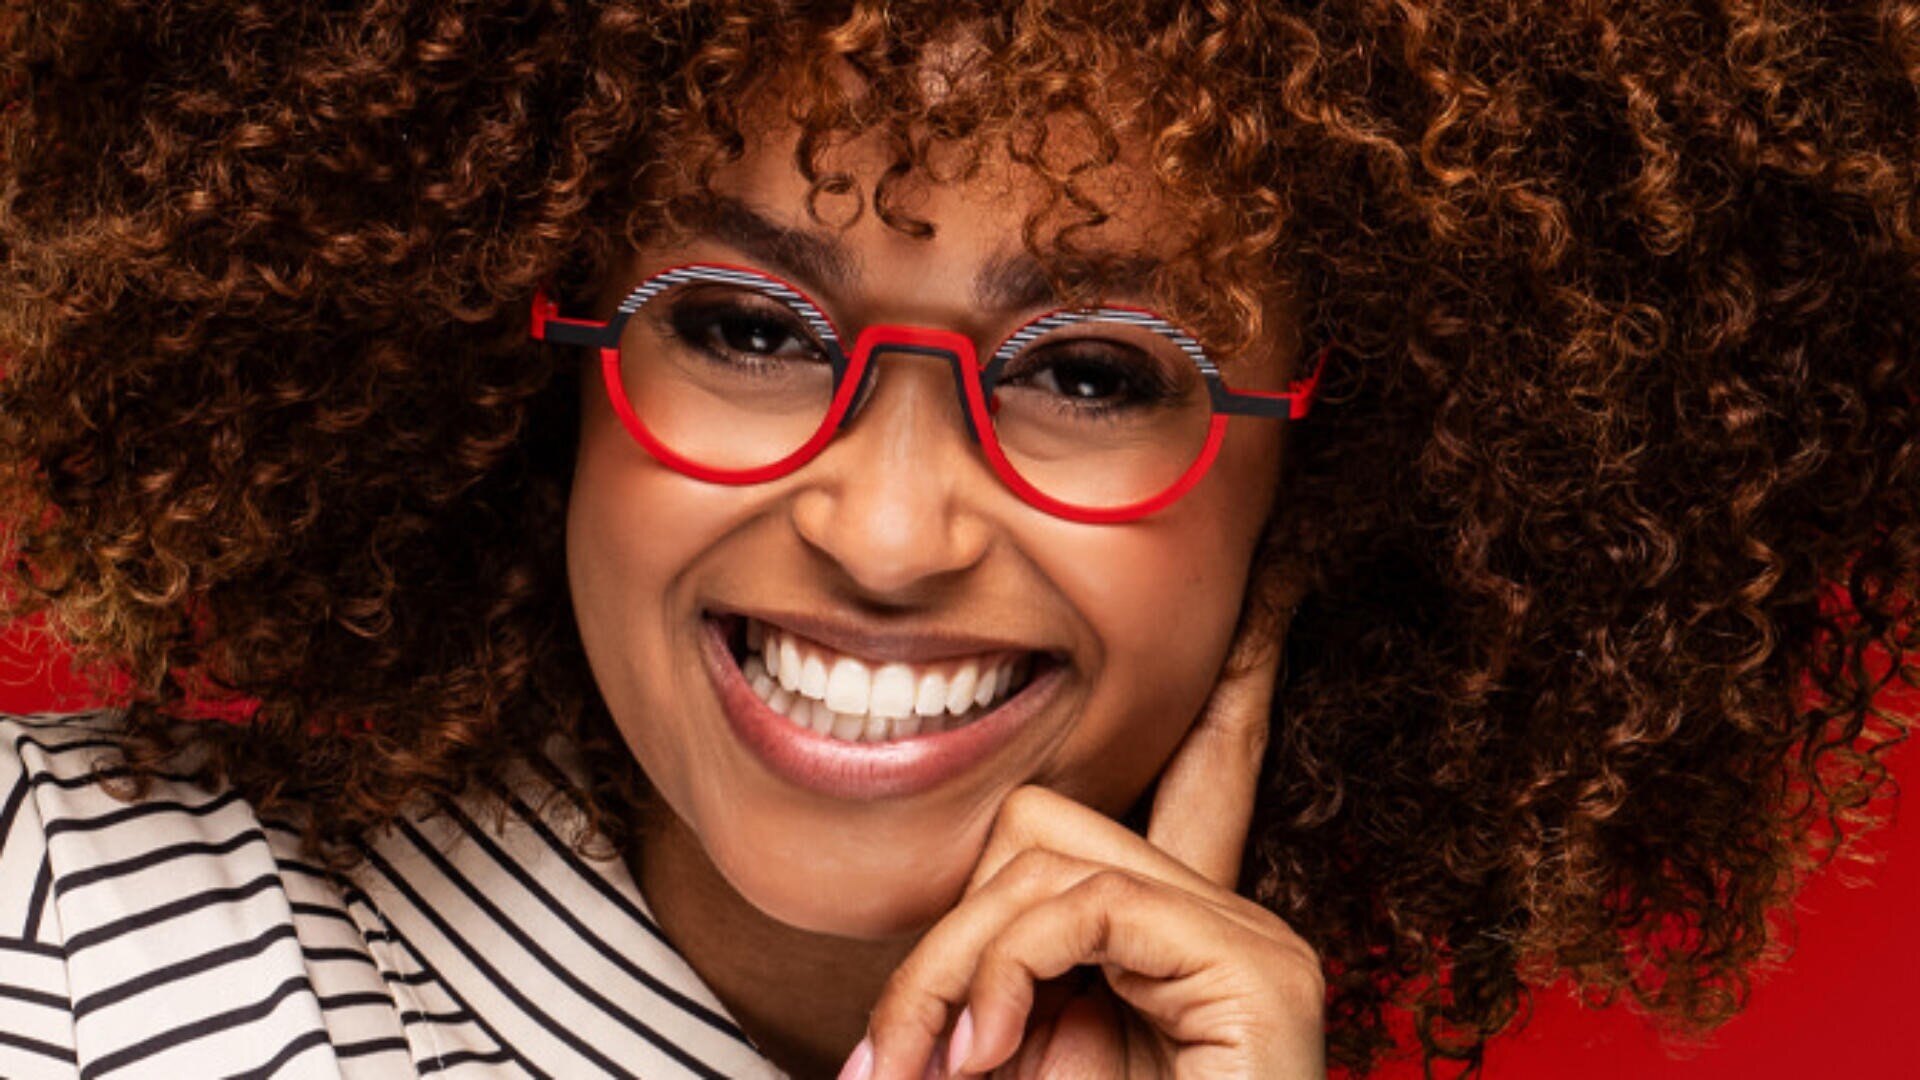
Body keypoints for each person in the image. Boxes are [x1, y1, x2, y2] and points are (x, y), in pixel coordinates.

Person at [0, 2, 1913, 1078]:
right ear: (542, 361)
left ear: (1326, 488)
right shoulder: (55, 939)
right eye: (746, 331)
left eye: (1094, 370)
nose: (890, 529)